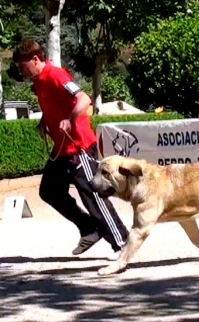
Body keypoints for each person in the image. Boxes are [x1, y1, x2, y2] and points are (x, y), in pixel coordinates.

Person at [13, 37, 128, 258]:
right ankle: (89, 228)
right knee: (49, 192)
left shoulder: (56, 75)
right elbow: (52, 107)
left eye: (23, 66)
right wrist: (43, 122)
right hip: (61, 149)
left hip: (79, 146)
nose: (22, 71)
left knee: (93, 196)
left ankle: (122, 242)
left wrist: (70, 119)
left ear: (35, 60)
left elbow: (84, 99)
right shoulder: (38, 82)